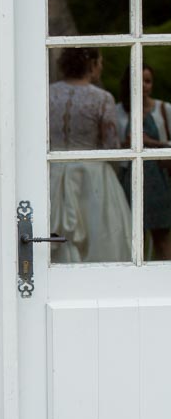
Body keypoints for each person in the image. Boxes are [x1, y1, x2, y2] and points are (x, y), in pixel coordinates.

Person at [48, 48, 131, 263]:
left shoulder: (46, 93)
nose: (101, 67)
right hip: (92, 176)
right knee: (100, 239)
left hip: (51, 172)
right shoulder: (102, 98)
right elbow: (111, 146)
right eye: (100, 62)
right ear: (91, 64)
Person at [116, 64, 171, 261]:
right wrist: (125, 144)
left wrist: (151, 143)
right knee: (131, 237)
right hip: (129, 181)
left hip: (160, 182)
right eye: (139, 80)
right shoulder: (119, 111)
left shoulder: (164, 109)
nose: (144, 86)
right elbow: (110, 146)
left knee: (162, 237)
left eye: (148, 81)